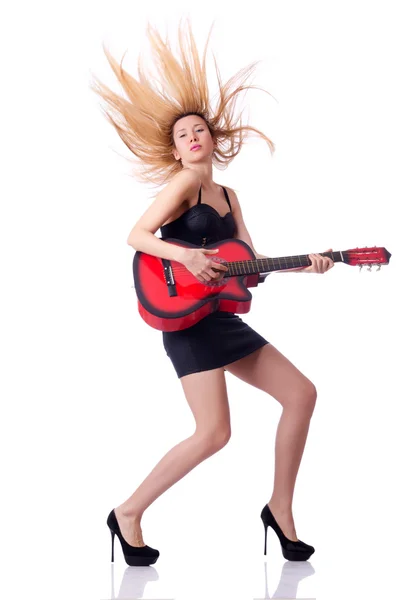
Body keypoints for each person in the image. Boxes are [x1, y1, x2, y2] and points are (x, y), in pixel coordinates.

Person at [90, 18, 334, 567]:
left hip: (221, 315)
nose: (192, 137)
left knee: (301, 395)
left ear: (213, 140)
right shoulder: (183, 184)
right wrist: (186, 256)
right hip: (185, 318)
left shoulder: (228, 194)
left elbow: (250, 263)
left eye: (199, 130)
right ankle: (127, 512)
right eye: (182, 135)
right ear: (176, 152)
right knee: (214, 433)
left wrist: (308, 266)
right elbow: (135, 236)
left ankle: (280, 508)